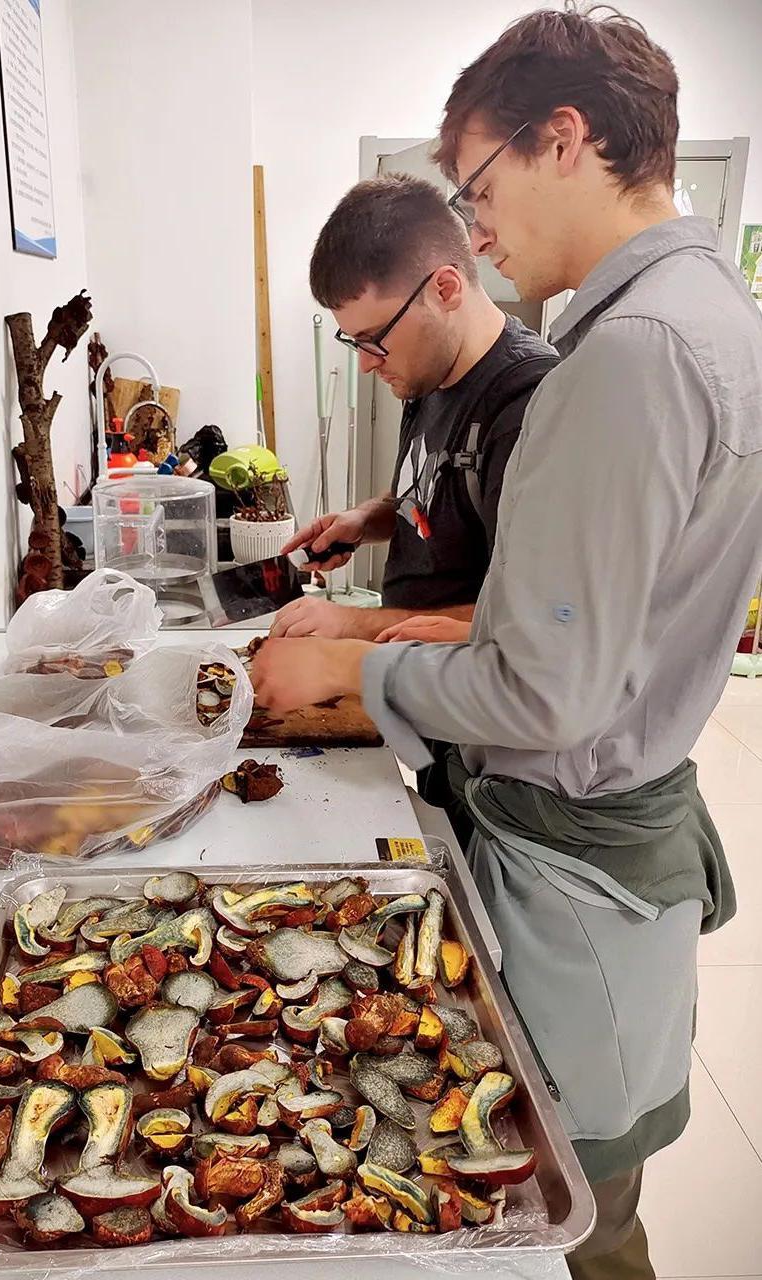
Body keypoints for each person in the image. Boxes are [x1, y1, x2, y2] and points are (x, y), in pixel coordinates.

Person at [253, 7, 762, 1278]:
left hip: (575, 853)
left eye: (479, 187)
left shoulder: (626, 356)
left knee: (569, 1204)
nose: (475, 231)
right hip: (607, 834)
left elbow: (541, 685)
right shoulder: (703, 309)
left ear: (565, 138)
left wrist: (351, 661)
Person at [270, 175, 557, 642]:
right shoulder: (429, 373)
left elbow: (534, 617)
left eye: (375, 339)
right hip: (409, 670)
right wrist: (364, 521)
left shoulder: (528, 405)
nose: (365, 364)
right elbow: (429, 501)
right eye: (355, 342)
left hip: (465, 699)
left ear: (445, 289)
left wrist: (353, 624)